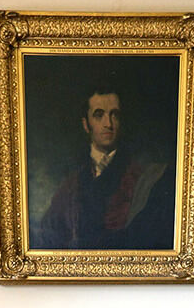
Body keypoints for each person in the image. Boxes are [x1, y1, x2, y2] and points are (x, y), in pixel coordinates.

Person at [34, 85, 176, 250]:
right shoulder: (71, 185)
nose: (108, 124)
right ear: (86, 125)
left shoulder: (144, 177)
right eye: (99, 115)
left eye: (114, 115)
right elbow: (49, 237)